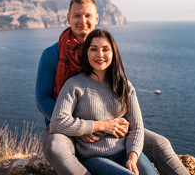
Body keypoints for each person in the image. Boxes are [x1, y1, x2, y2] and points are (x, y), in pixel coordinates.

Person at [35, 0, 189, 175]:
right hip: (65, 123)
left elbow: (117, 92)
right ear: (68, 19)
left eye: (87, 16)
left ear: (96, 19)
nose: (82, 21)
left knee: (159, 143)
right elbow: (42, 97)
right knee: (55, 147)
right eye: (76, 16)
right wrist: (84, 125)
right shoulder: (53, 54)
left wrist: (117, 136)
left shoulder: (103, 52)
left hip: (106, 122)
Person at [50, 29, 158, 175]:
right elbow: (57, 122)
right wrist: (102, 125)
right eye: (93, 49)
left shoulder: (124, 85)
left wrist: (132, 157)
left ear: (113, 54)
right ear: (86, 53)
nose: (100, 54)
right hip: (93, 157)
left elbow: (137, 127)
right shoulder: (74, 85)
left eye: (105, 49)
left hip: (125, 152)